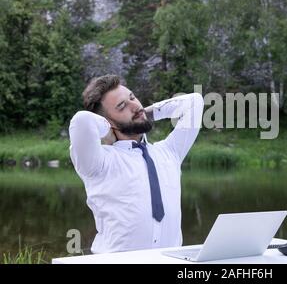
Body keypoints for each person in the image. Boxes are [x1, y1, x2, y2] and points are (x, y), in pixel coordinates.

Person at [69, 74, 204, 254]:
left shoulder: (170, 152)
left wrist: (143, 113)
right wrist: (108, 131)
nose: (135, 105)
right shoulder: (99, 162)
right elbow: (81, 121)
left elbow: (194, 102)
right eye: (122, 106)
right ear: (108, 122)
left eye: (132, 97)